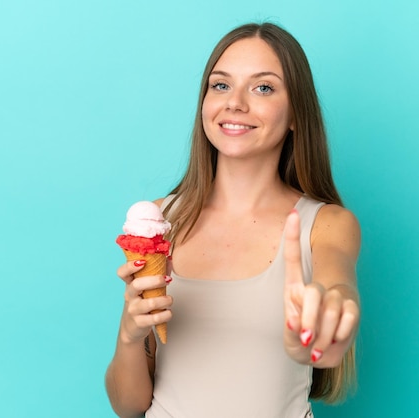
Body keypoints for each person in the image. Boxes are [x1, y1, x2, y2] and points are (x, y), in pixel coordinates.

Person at [105, 22, 361, 418]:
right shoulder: (160, 221)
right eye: (221, 85)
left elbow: (337, 287)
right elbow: (128, 407)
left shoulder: (326, 225)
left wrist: (328, 316)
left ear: (296, 114)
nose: (235, 103)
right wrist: (129, 335)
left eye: (263, 87)